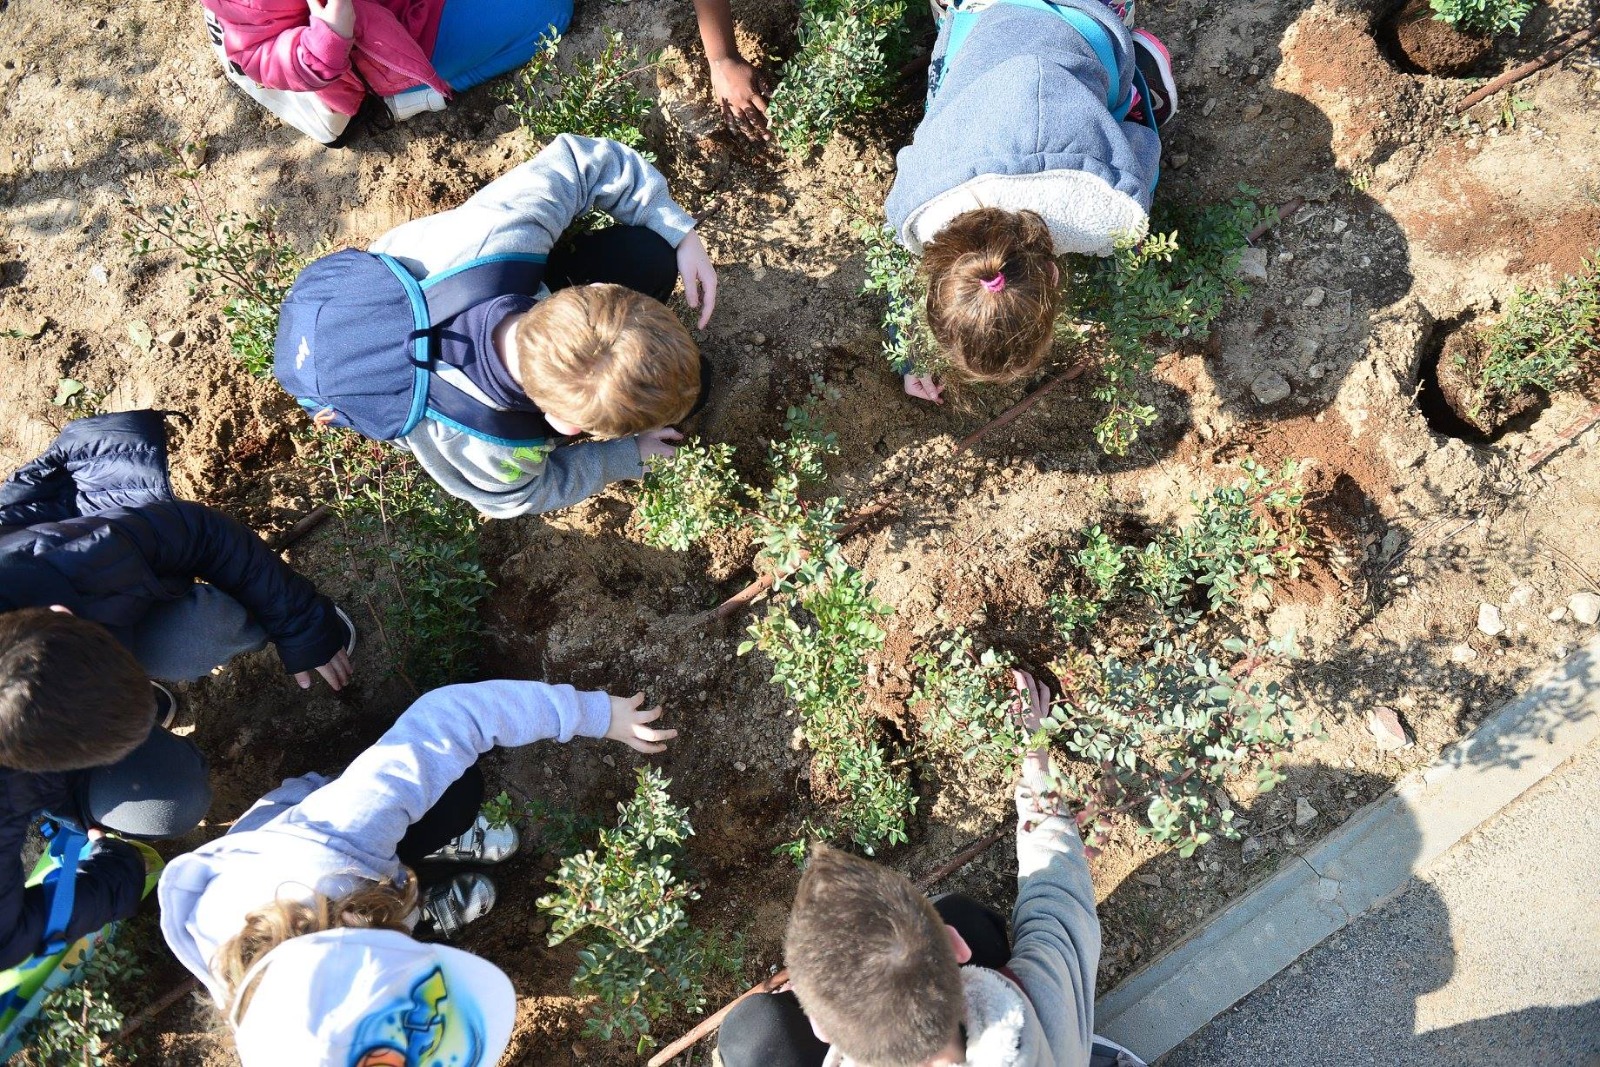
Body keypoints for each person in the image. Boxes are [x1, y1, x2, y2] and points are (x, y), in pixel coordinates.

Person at [158, 679, 676, 1066]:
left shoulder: (345, 829)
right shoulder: (275, 1025)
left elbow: (446, 720)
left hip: (319, 835)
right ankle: (417, 907)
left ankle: (425, 878)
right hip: (356, 891)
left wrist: (591, 714)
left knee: (457, 795)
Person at [0, 410, 356, 972]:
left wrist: (303, 622)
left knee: (204, 627)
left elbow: (198, 534)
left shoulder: (73, 562)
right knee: (168, 801)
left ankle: (140, 694)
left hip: (66, 596)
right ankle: (129, 722)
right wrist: (109, 864)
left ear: (60, 616)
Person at [716, 670, 1147, 1067]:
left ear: (822, 1028)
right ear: (957, 947)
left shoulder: (818, 1033)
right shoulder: (1042, 1002)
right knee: (953, 908)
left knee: (751, 1034)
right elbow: (1059, 898)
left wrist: (830, 991)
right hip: (1051, 1050)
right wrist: (1034, 756)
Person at [276, 133, 718, 519]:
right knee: (689, 370)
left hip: (399, 292)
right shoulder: (488, 447)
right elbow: (522, 496)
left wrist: (678, 231)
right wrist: (623, 456)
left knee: (650, 255)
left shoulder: (503, 235)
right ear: (563, 425)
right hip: (380, 374)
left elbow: (580, 161)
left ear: (595, 287)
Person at [883, 0, 1177, 405]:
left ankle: (1142, 66)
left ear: (1054, 276)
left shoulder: (1106, 209)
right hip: (980, 16)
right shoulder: (916, 213)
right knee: (942, 91)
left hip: (1083, 15)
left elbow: (1142, 144)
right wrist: (910, 353)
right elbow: (899, 254)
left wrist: (1131, 230)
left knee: (1128, 110)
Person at [201, 0, 573, 144]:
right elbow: (261, 58)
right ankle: (410, 92)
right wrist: (329, 37)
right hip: (387, 45)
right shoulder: (247, 6)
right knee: (548, 13)